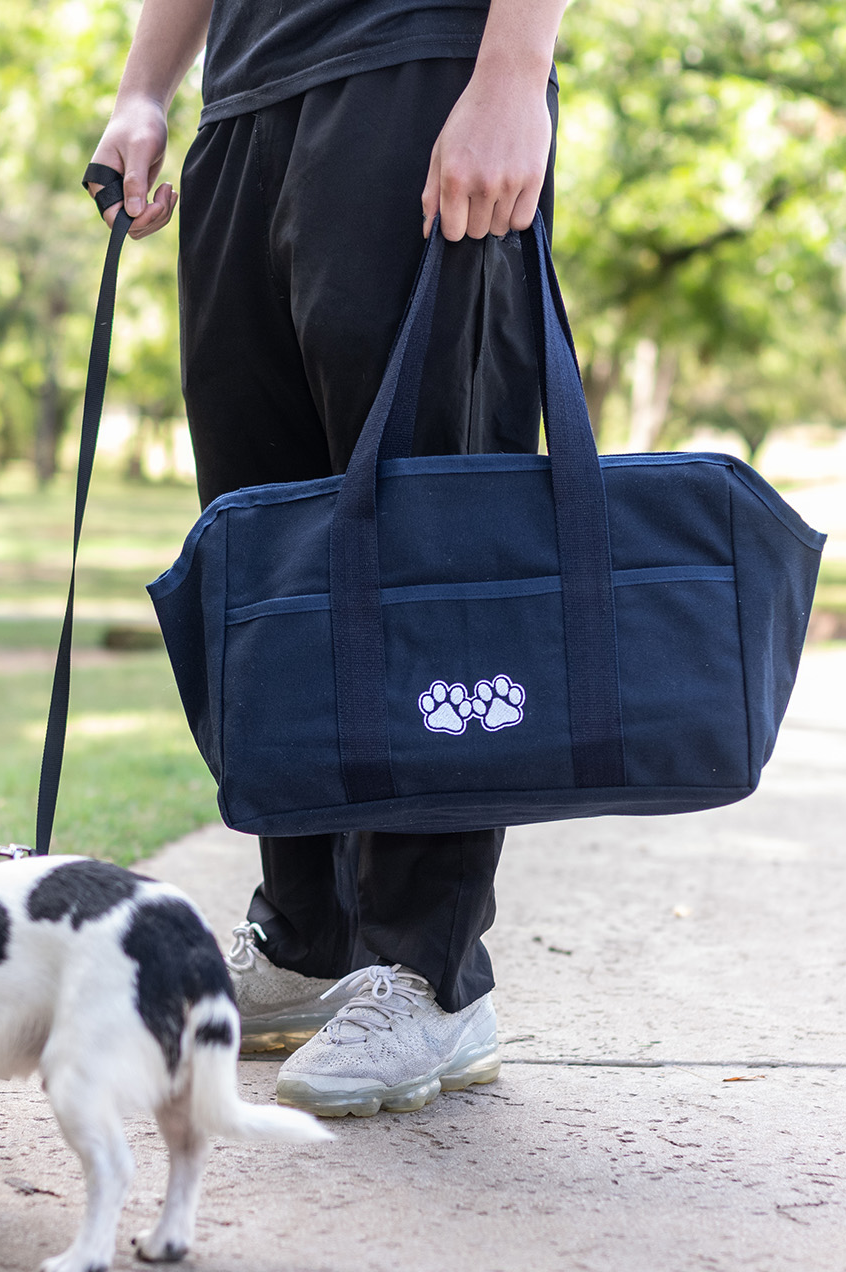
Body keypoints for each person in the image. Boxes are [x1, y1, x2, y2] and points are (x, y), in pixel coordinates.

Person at [90, 0, 566, 1118]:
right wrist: (144, 89)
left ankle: (434, 972)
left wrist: (513, 73)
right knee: (267, 551)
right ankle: (307, 944)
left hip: (419, 67)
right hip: (244, 106)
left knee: (430, 531)